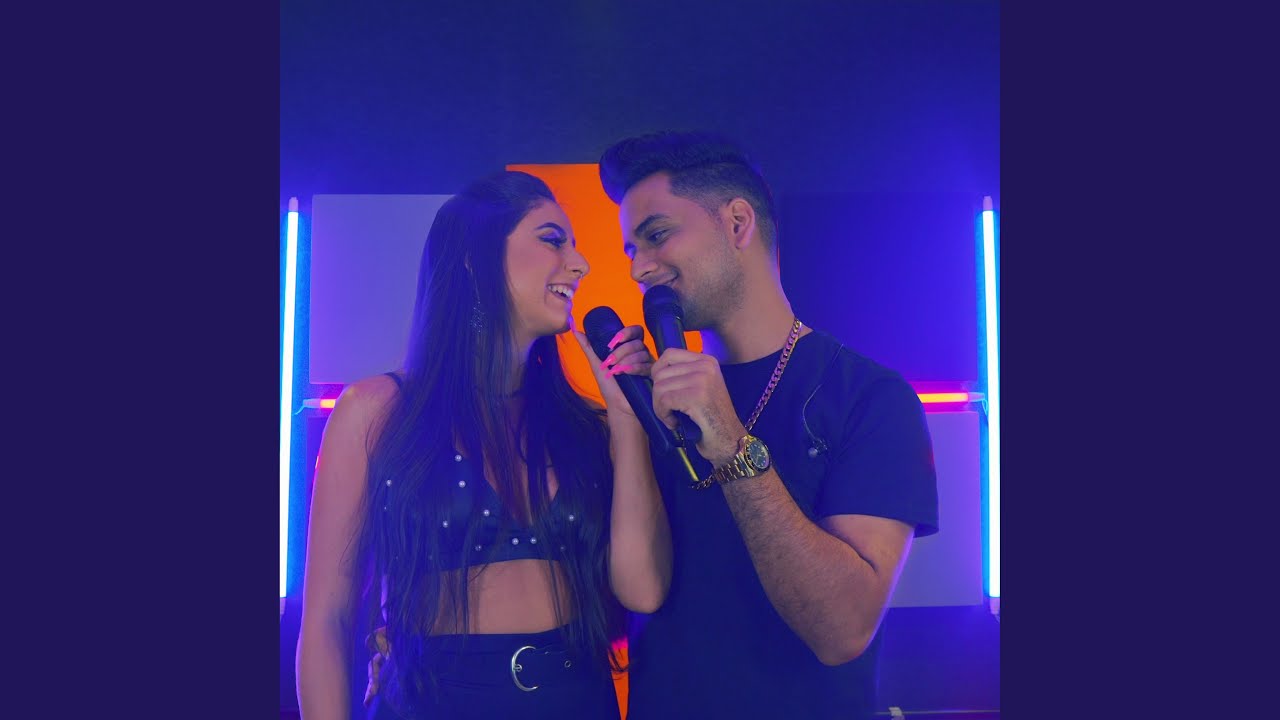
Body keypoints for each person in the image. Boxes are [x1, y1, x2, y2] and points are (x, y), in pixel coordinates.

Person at [295, 170, 671, 720]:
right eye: (552, 240)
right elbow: (328, 619)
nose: (580, 263)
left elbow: (643, 591)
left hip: (575, 698)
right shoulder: (374, 412)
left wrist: (627, 421)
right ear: (475, 258)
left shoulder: (591, 424)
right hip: (434, 700)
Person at [597, 131, 940, 720]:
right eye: (632, 249)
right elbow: (640, 594)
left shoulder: (869, 398)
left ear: (737, 223)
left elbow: (843, 630)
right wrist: (629, 423)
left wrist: (730, 441)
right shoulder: (655, 401)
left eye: (657, 235)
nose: (639, 268)